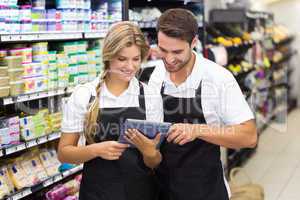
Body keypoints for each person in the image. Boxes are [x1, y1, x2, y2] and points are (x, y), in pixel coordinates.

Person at [147, 8, 258, 200]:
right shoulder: (156, 74)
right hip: (163, 188)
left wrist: (198, 130)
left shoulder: (217, 78)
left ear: (194, 43)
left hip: (204, 190)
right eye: (163, 50)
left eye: (177, 51)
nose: (169, 59)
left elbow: (248, 136)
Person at [58, 21, 163, 200]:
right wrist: (96, 150)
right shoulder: (85, 94)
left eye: (136, 59)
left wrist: (150, 151)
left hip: (141, 193)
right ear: (108, 56)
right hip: (97, 193)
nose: (130, 67)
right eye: (122, 59)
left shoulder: (150, 95)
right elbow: (64, 153)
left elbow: (155, 161)